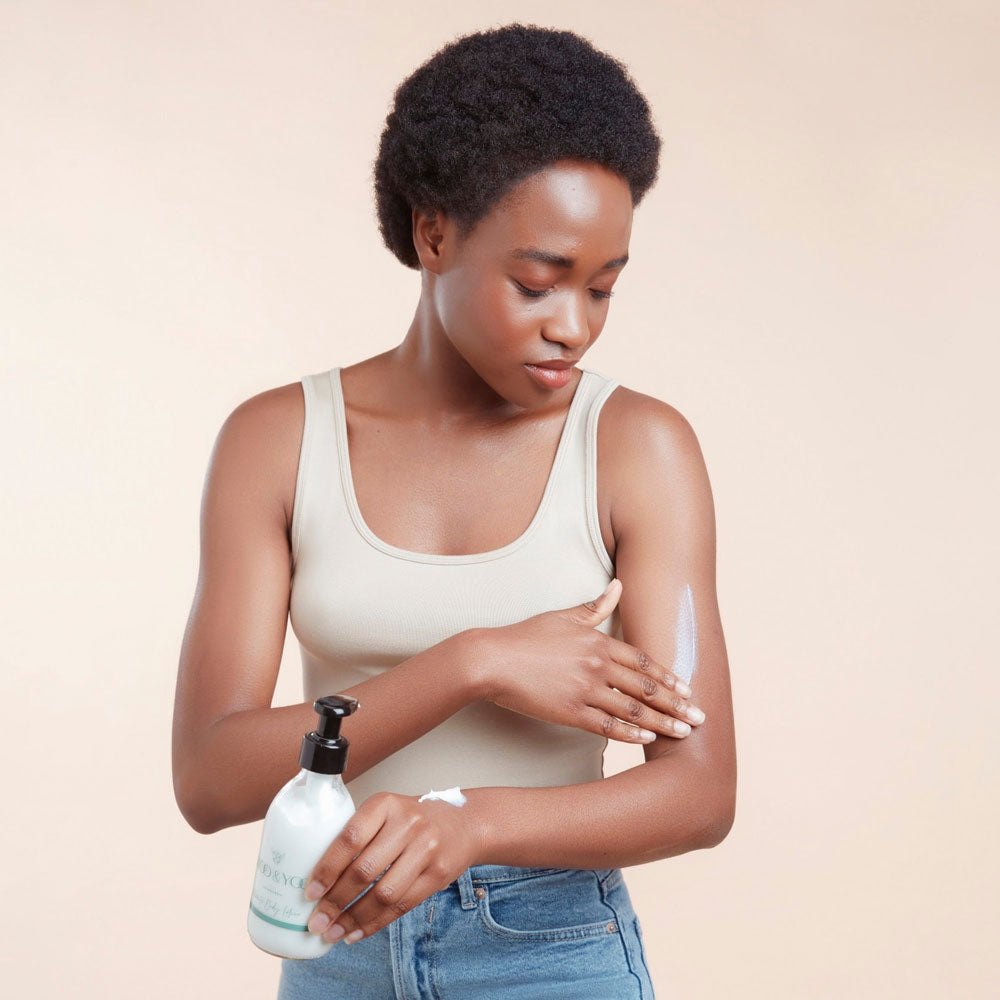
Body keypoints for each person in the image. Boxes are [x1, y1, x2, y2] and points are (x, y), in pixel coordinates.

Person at [172, 21, 736, 1000]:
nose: (575, 324)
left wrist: (468, 820)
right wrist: (472, 662)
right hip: (336, 945)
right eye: (537, 281)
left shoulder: (637, 447)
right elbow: (212, 778)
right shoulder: (277, 440)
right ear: (434, 234)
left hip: (547, 947)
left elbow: (700, 787)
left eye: (603, 287)